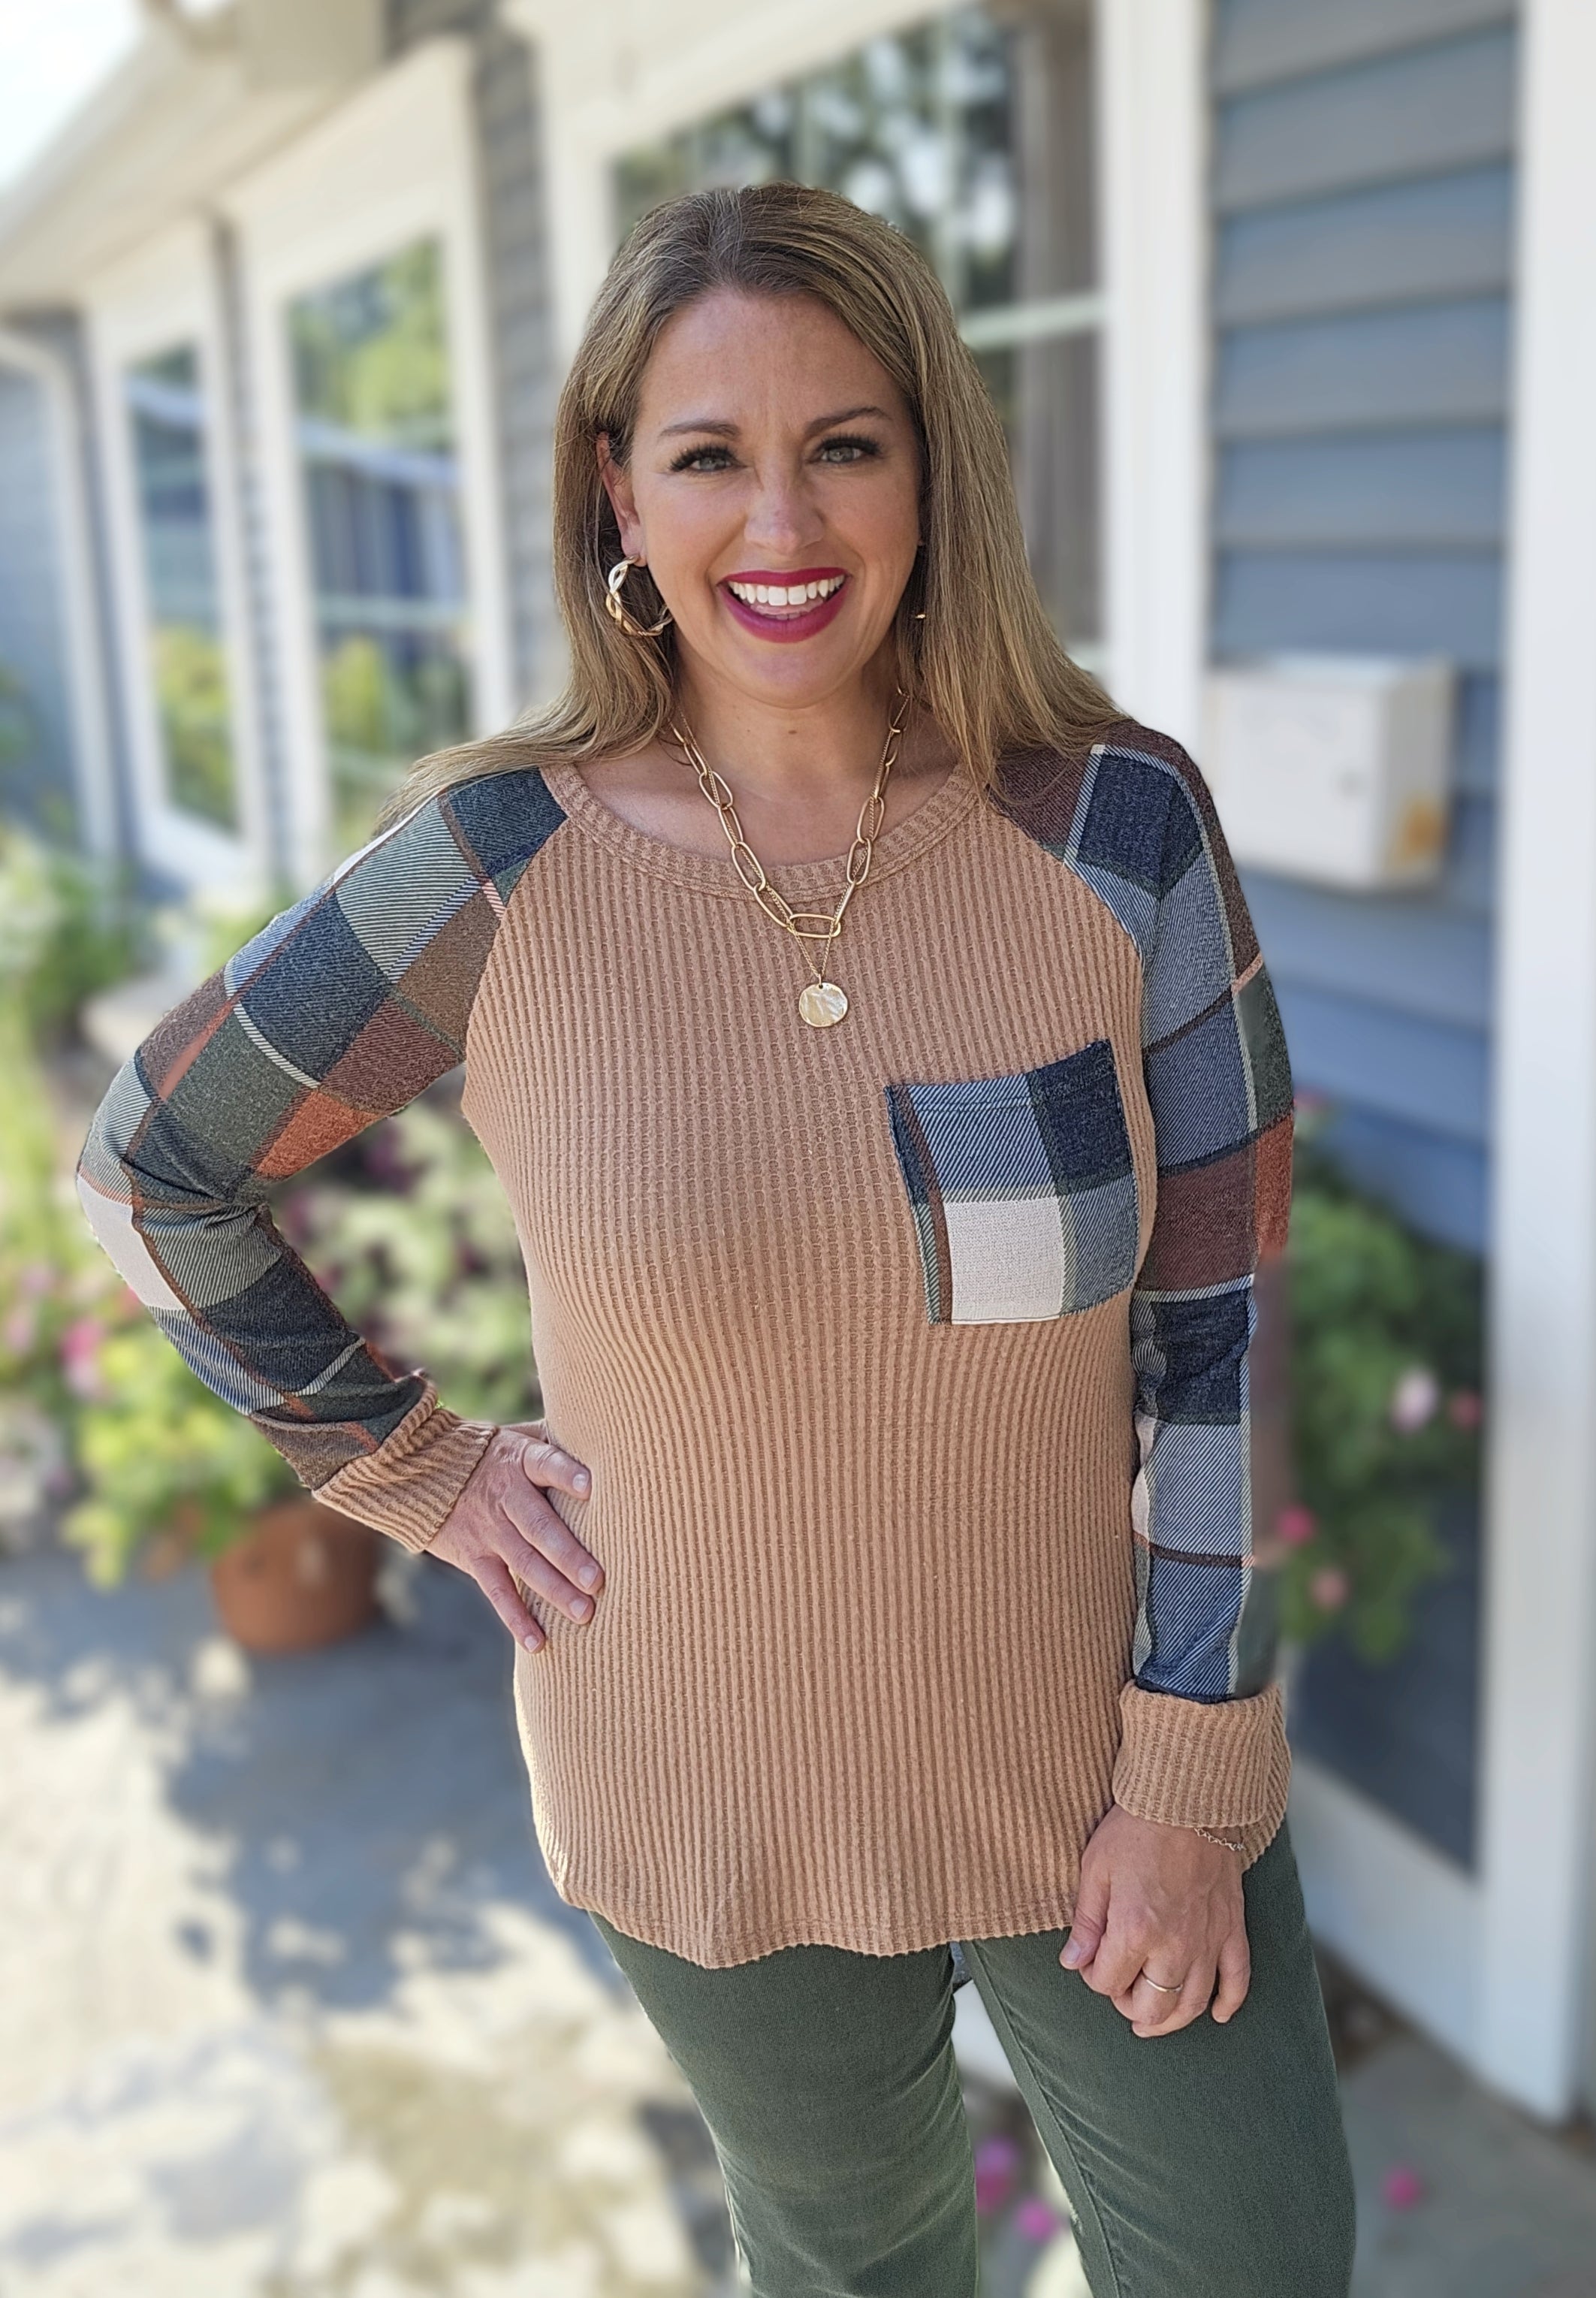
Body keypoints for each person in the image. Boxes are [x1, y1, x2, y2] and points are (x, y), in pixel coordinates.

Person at [77, 183, 1354, 2296]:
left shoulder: (1113, 826)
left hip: (1096, 1759)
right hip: (703, 1773)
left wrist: (1198, 1772)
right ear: (618, 490)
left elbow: (1221, 1324)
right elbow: (153, 1165)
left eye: (846, 443)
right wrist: (414, 1466)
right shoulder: (496, 866)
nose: (783, 522)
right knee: (853, 2267)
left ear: (932, 467)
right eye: (707, 455)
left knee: (1254, 2260)